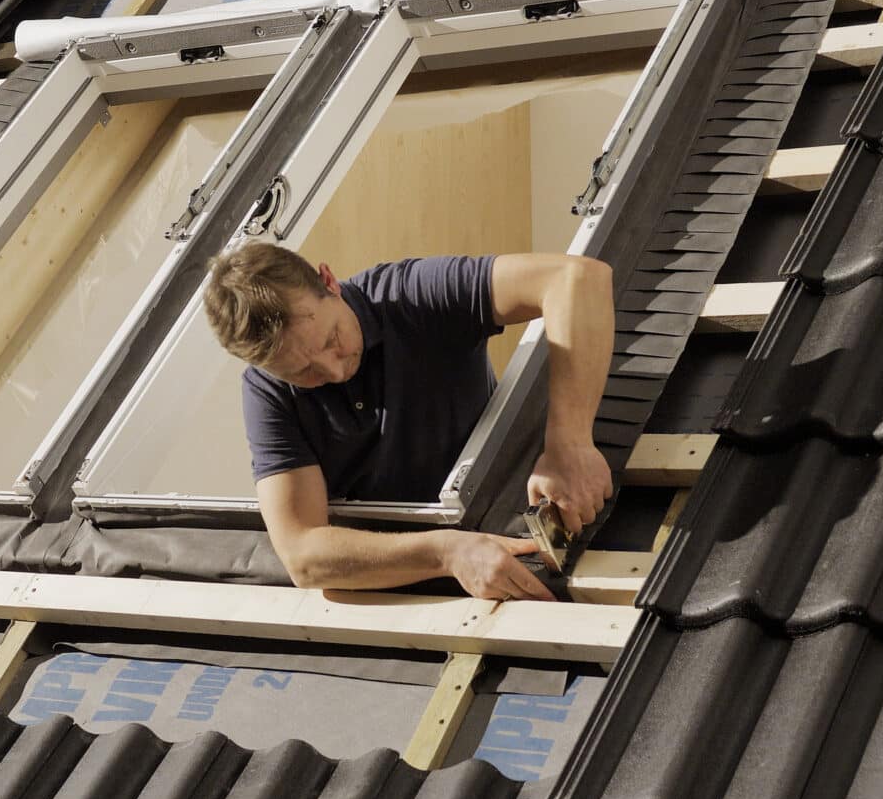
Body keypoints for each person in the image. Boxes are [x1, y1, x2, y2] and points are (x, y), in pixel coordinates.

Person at [202, 243, 614, 601]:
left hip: (508, 511)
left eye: (331, 340)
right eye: (302, 372)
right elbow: (303, 557)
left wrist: (570, 442)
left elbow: (576, 279)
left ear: (330, 282)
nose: (333, 369)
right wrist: (447, 552)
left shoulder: (409, 296)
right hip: (408, 574)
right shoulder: (267, 393)